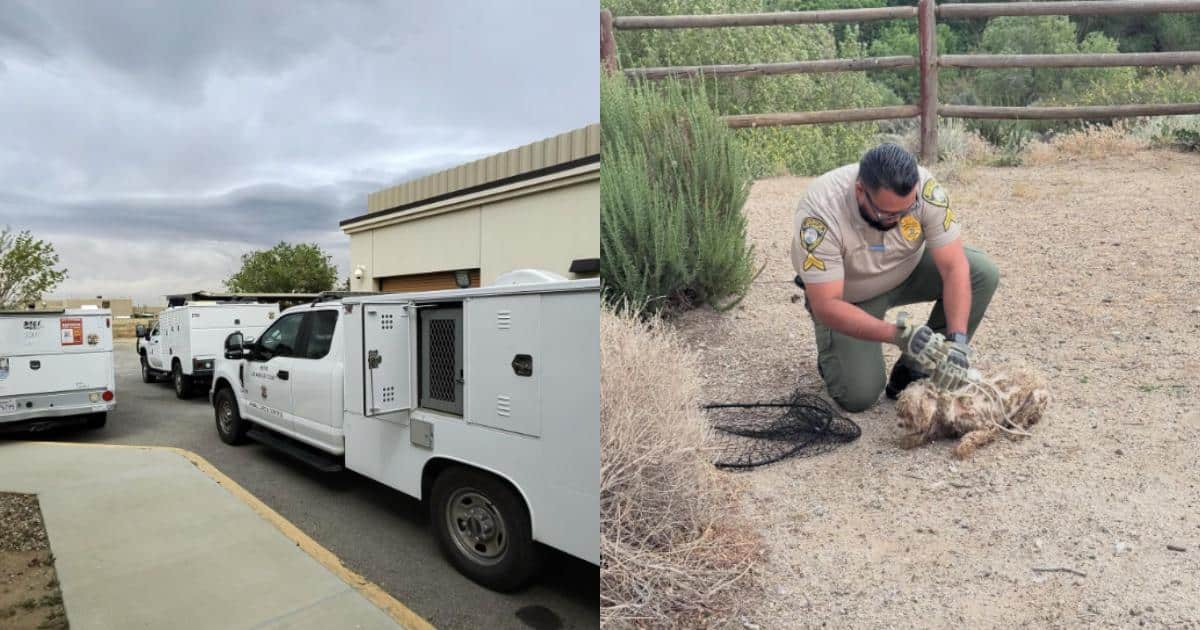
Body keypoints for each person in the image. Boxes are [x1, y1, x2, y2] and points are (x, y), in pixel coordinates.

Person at [790, 143, 999, 412]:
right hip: (850, 295)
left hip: (907, 269)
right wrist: (898, 335)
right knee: (858, 396)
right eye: (888, 214)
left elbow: (954, 267)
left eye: (906, 211)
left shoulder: (925, 190)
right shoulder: (820, 212)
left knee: (981, 273)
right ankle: (833, 357)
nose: (899, 220)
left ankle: (915, 367)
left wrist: (957, 340)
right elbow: (827, 304)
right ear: (860, 191)